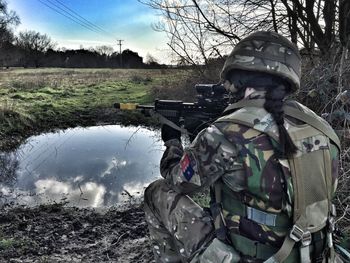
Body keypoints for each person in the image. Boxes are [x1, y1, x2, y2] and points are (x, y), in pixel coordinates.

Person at [144, 31, 341, 263]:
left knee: (157, 192)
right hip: (314, 254)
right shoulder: (321, 128)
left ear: (239, 78)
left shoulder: (227, 133)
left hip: (255, 257)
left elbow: (178, 181)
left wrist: (173, 142)